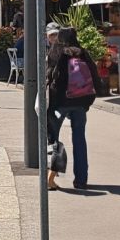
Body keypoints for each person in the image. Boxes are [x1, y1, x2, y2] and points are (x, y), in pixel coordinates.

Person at [45, 25, 101, 190]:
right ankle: (81, 180)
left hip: (59, 104)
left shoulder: (57, 52)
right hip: (80, 103)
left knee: (53, 140)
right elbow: (95, 78)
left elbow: (50, 76)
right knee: (79, 140)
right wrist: (87, 102)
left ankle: (50, 178)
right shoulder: (82, 53)